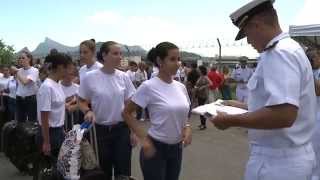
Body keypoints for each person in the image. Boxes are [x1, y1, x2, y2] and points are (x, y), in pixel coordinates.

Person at [210, 1, 317, 180]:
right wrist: (239, 106)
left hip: (278, 163)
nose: (249, 41)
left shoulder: (279, 53)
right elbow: (278, 104)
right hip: (289, 158)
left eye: (247, 34)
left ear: (256, 25)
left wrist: (230, 120)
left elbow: (284, 114)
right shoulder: (290, 48)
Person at [122, 42, 192, 180]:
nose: (178, 63)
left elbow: (184, 114)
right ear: (160, 61)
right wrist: (144, 139)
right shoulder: (148, 86)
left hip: (177, 149)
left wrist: (187, 127)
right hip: (156, 149)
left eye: (179, 59)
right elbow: (126, 113)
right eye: (172, 59)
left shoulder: (180, 87)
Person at [79, 41, 136, 180]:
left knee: (123, 172)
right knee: (103, 171)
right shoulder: (90, 77)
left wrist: (133, 131)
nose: (119, 57)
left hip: (121, 130)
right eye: (115, 53)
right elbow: (81, 100)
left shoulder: (124, 77)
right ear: (104, 55)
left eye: (120, 53)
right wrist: (87, 111)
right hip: (99, 131)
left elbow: (130, 105)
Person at [36, 52, 73, 160]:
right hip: (49, 134)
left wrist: (61, 130)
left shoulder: (57, 84)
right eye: (68, 68)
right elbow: (44, 117)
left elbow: (57, 108)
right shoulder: (47, 87)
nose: (69, 72)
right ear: (61, 67)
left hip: (57, 132)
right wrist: (46, 142)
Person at [306, 48, 320, 180]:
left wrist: (308, 70)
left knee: (315, 149)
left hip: (318, 118)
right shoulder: (310, 71)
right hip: (310, 116)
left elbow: (318, 90)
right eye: (309, 58)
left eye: (313, 57)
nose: (311, 60)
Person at [16, 51, 39, 122]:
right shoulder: (19, 70)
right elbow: (18, 84)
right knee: (20, 121)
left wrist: (17, 72)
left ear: (29, 59)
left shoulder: (34, 70)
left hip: (30, 99)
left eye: (23, 58)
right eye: (19, 58)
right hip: (19, 98)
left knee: (32, 121)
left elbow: (25, 82)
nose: (20, 59)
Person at [60, 63, 80, 130]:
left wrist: (73, 106)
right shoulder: (56, 87)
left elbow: (82, 103)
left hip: (75, 120)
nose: (69, 76)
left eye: (72, 74)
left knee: (76, 137)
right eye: (67, 74)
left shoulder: (78, 88)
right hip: (60, 121)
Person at [195, 65, 211, 130]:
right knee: (201, 110)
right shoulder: (200, 77)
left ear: (201, 70)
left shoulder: (205, 77)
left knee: (202, 110)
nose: (197, 70)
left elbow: (210, 83)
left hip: (204, 96)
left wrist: (203, 87)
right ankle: (202, 123)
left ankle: (204, 124)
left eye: (198, 69)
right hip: (200, 95)